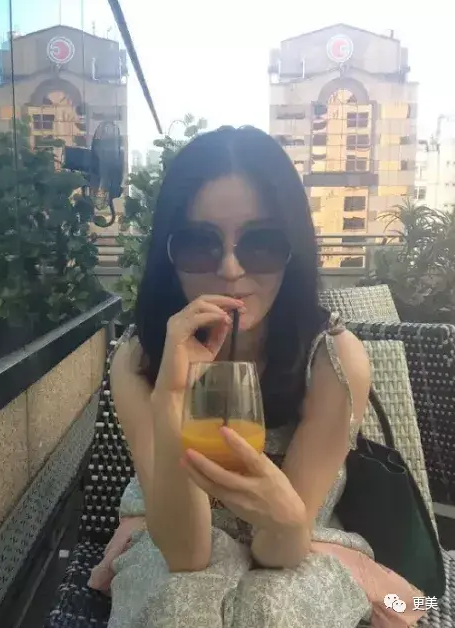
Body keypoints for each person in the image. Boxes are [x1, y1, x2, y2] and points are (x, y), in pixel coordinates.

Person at [88, 126, 425, 627]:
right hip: (171, 535)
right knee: (177, 608)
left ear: (292, 251)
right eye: (200, 244)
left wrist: (284, 515)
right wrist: (172, 397)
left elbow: (280, 549)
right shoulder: (140, 359)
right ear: (169, 255)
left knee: (273, 612)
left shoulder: (332, 361)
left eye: (261, 243)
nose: (229, 269)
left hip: (299, 541)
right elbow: (186, 554)